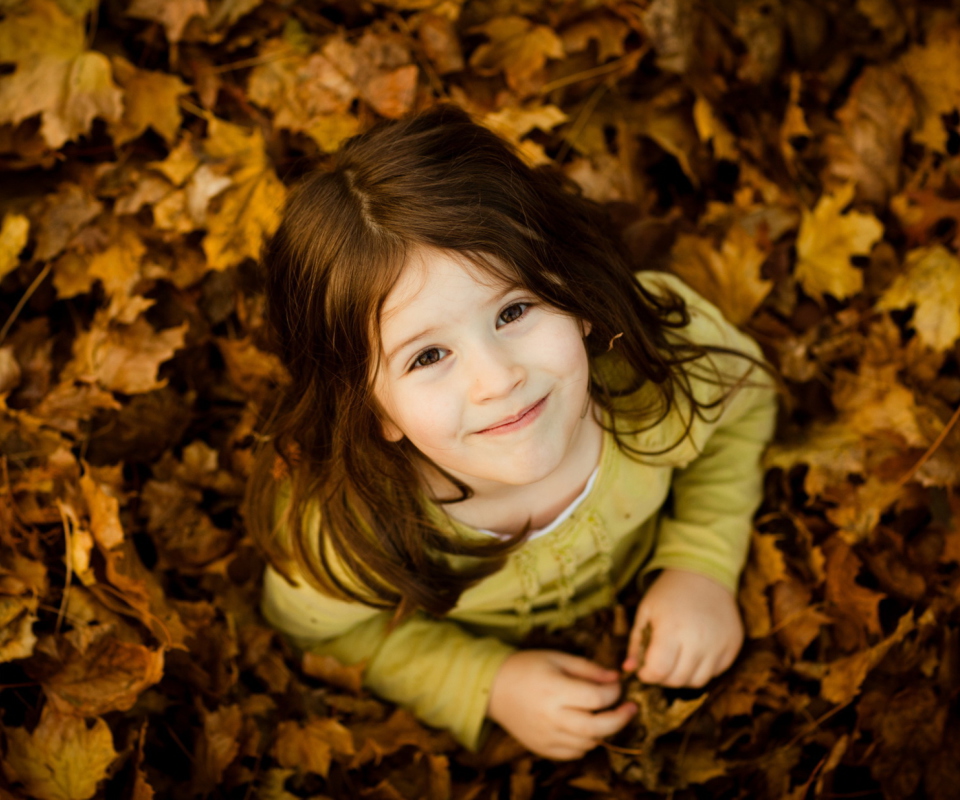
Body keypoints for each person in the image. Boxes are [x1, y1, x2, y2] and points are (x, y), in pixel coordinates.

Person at [245, 103, 777, 761]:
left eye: (515, 309)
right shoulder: (349, 527)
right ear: (372, 409)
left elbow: (742, 409)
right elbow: (325, 635)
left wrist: (702, 561)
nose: (497, 379)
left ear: (572, 295)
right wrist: (486, 682)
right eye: (428, 356)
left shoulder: (659, 367)